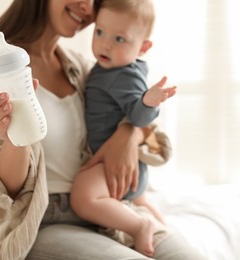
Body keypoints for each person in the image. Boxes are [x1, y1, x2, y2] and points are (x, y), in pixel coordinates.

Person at [0, 0, 202, 259]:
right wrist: (15, 139)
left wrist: (128, 133)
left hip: (113, 212)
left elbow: (143, 120)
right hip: (47, 223)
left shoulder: (84, 67)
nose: (87, 6)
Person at [70, 0, 175, 257]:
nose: (105, 44)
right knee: (141, 200)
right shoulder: (110, 67)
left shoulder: (123, 75)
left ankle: (141, 226)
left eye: (120, 39)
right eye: (100, 32)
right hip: (128, 167)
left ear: (143, 47)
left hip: (115, 166)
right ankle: (161, 224)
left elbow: (138, 117)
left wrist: (148, 102)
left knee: (83, 196)